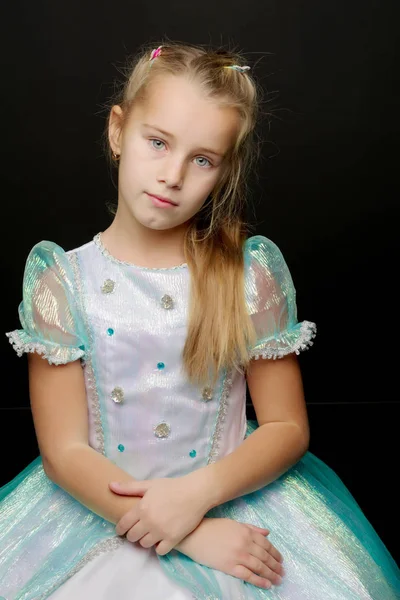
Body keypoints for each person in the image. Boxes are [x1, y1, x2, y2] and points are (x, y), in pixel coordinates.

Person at [0, 40, 398, 600]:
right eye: (158, 143)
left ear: (224, 170)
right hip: (98, 512)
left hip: (231, 497)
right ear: (118, 132)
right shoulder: (62, 282)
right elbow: (65, 454)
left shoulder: (245, 276)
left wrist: (195, 498)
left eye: (202, 159)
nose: (173, 176)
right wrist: (188, 534)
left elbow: (288, 427)